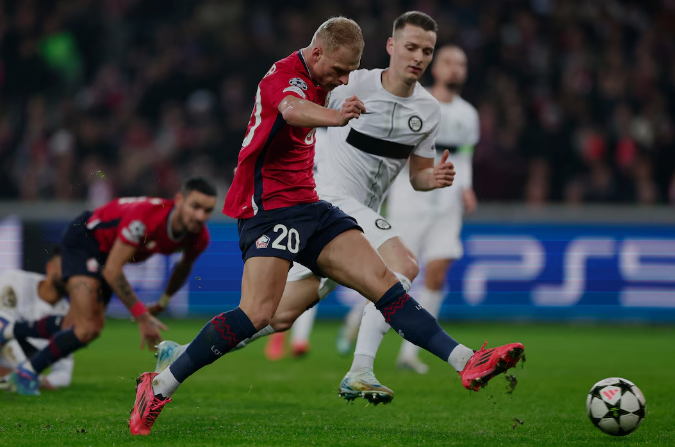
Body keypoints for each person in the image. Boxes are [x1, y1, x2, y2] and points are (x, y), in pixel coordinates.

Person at [130, 16, 523, 436]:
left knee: (384, 283)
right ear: (317, 53)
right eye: (337, 71)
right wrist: (336, 118)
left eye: (349, 72)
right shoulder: (285, 78)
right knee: (259, 313)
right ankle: (159, 385)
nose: (342, 80)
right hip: (268, 208)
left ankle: (465, 360)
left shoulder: (365, 88)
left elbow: (406, 163)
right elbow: (292, 110)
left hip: (311, 205)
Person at [0, 177, 216, 395]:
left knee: (86, 329)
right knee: (84, 327)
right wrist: (141, 315)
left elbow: (183, 267)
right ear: (179, 200)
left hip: (106, 253)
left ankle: (8, 331)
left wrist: (163, 301)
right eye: (195, 206)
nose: (200, 216)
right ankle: (26, 373)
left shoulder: (199, 236)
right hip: (85, 240)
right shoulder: (146, 218)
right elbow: (112, 270)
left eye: (207, 210)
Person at [390, 44, 479, 375]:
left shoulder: (470, 114)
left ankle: (409, 352)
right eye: (449, 62)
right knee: (399, 276)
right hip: (411, 197)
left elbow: (464, 156)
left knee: (438, 273)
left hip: (448, 202)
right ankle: (358, 322)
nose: (456, 68)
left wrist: (466, 187)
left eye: (462, 63)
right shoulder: (417, 102)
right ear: (435, 69)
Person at [0, 247, 74, 390]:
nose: (71, 275)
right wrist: (25, 373)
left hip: (11, 371)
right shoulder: (14, 281)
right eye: (67, 267)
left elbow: (63, 373)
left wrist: (41, 381)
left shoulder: (69, 316)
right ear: (50, 267)